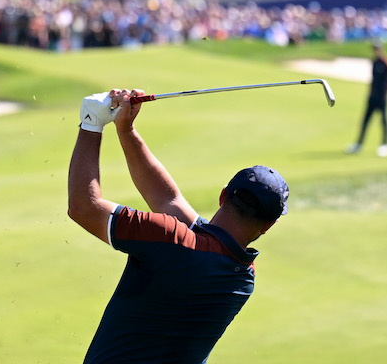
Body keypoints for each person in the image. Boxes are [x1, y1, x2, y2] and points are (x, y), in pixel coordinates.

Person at [67, 88, 289, 364]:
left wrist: (91, 123)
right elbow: (168, 199)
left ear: (223, 195)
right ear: (268, 225)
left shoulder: (170, 240)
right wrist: (126, 130)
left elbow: (83, 207)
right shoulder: (243, 277)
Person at [345, 41, 387, 157]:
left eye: (377, 49)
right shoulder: (374, 62)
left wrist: (384, 95)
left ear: (381, 49)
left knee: (384, 120)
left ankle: (385, 144)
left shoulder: (385, 62)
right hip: (372, 97)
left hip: (382, 98)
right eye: (374, 49)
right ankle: (359, 144)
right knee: (365, 121)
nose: (376, 51)